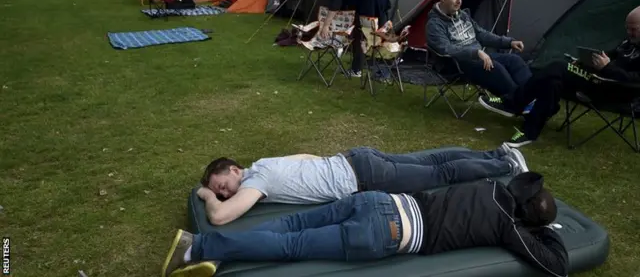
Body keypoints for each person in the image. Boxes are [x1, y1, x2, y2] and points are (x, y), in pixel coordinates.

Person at [161, 171, 568, 277]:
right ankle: (200, 248)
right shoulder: (509, 227)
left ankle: (203, 245)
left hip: (377, 200)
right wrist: (541, 231)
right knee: (291, 248)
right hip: (387, 233)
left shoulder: (491, 187)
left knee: (292, 226)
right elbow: (556, 265)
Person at [195, 143, 527, 226]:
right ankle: (495, 153)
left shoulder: (257, 180)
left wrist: (207, 196)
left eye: (221, 184)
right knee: (431, 163)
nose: (222, 193)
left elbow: (220, 217)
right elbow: (304, 157)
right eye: (219, 190)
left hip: (364, 176)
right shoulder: (263, 164)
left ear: (235, 170)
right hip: (355, 159)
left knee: (440, 174)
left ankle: (505, 163)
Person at [480, 6, 640, 147]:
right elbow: (610, 55)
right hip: (599, 80)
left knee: (558, 67)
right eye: (628, 28)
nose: (629, 33)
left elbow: (633, 81)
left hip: (615, 93)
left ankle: (513, 103)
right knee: (552, 82)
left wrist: (608, 68)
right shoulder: (629, 43)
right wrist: (589, 60)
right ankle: (529, 133)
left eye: (634, 29)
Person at [426, 0, 533, 115]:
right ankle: (518, 103)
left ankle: (532, 98)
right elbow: (446, 49)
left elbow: (481, 34)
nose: (459, 1)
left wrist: (508, 42)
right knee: (496, 68)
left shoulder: (463, 15)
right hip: (457, 64)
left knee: (514, 60)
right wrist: (475, 53)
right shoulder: (434, 24)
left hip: (479, 56)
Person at [311, 0, 392, 78]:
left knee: (361, 35)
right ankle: (386, 70)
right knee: (382, 33)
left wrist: (326, 25)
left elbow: (335, 3)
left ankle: (357, 70)